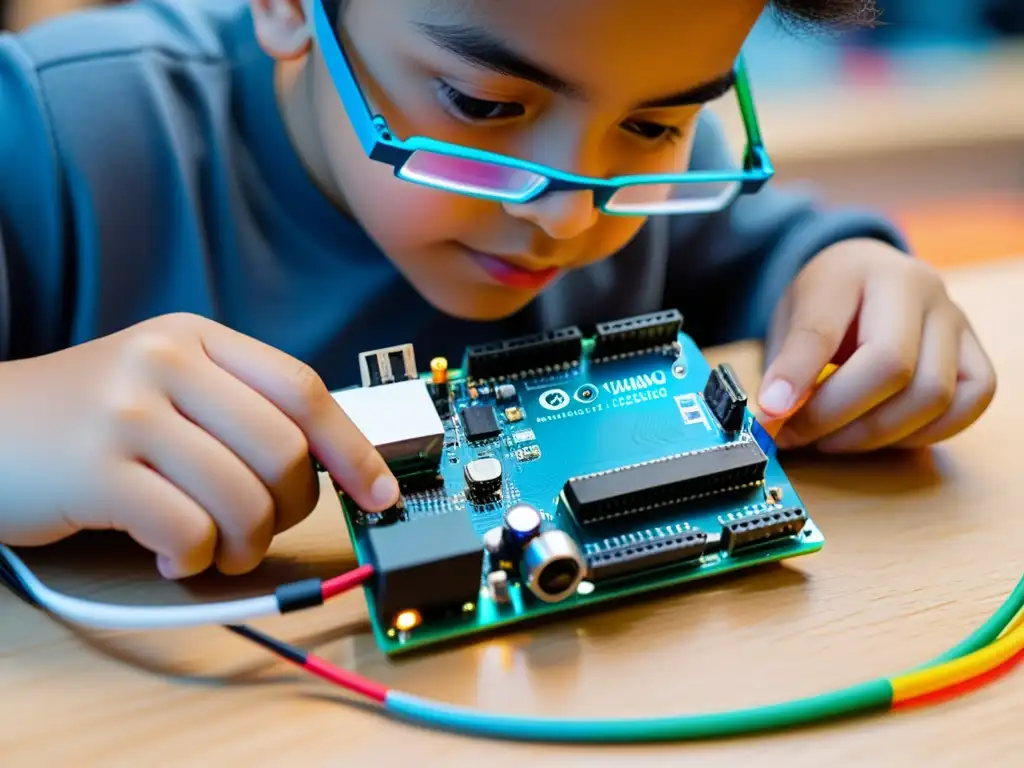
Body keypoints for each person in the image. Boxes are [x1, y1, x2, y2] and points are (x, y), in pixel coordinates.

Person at [0, 0, 996, 581]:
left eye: (655, 127)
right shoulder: (45, 135)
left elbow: (777, 258)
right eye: (483, 106)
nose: (570, 214)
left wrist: (853, 278)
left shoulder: (654, 180)